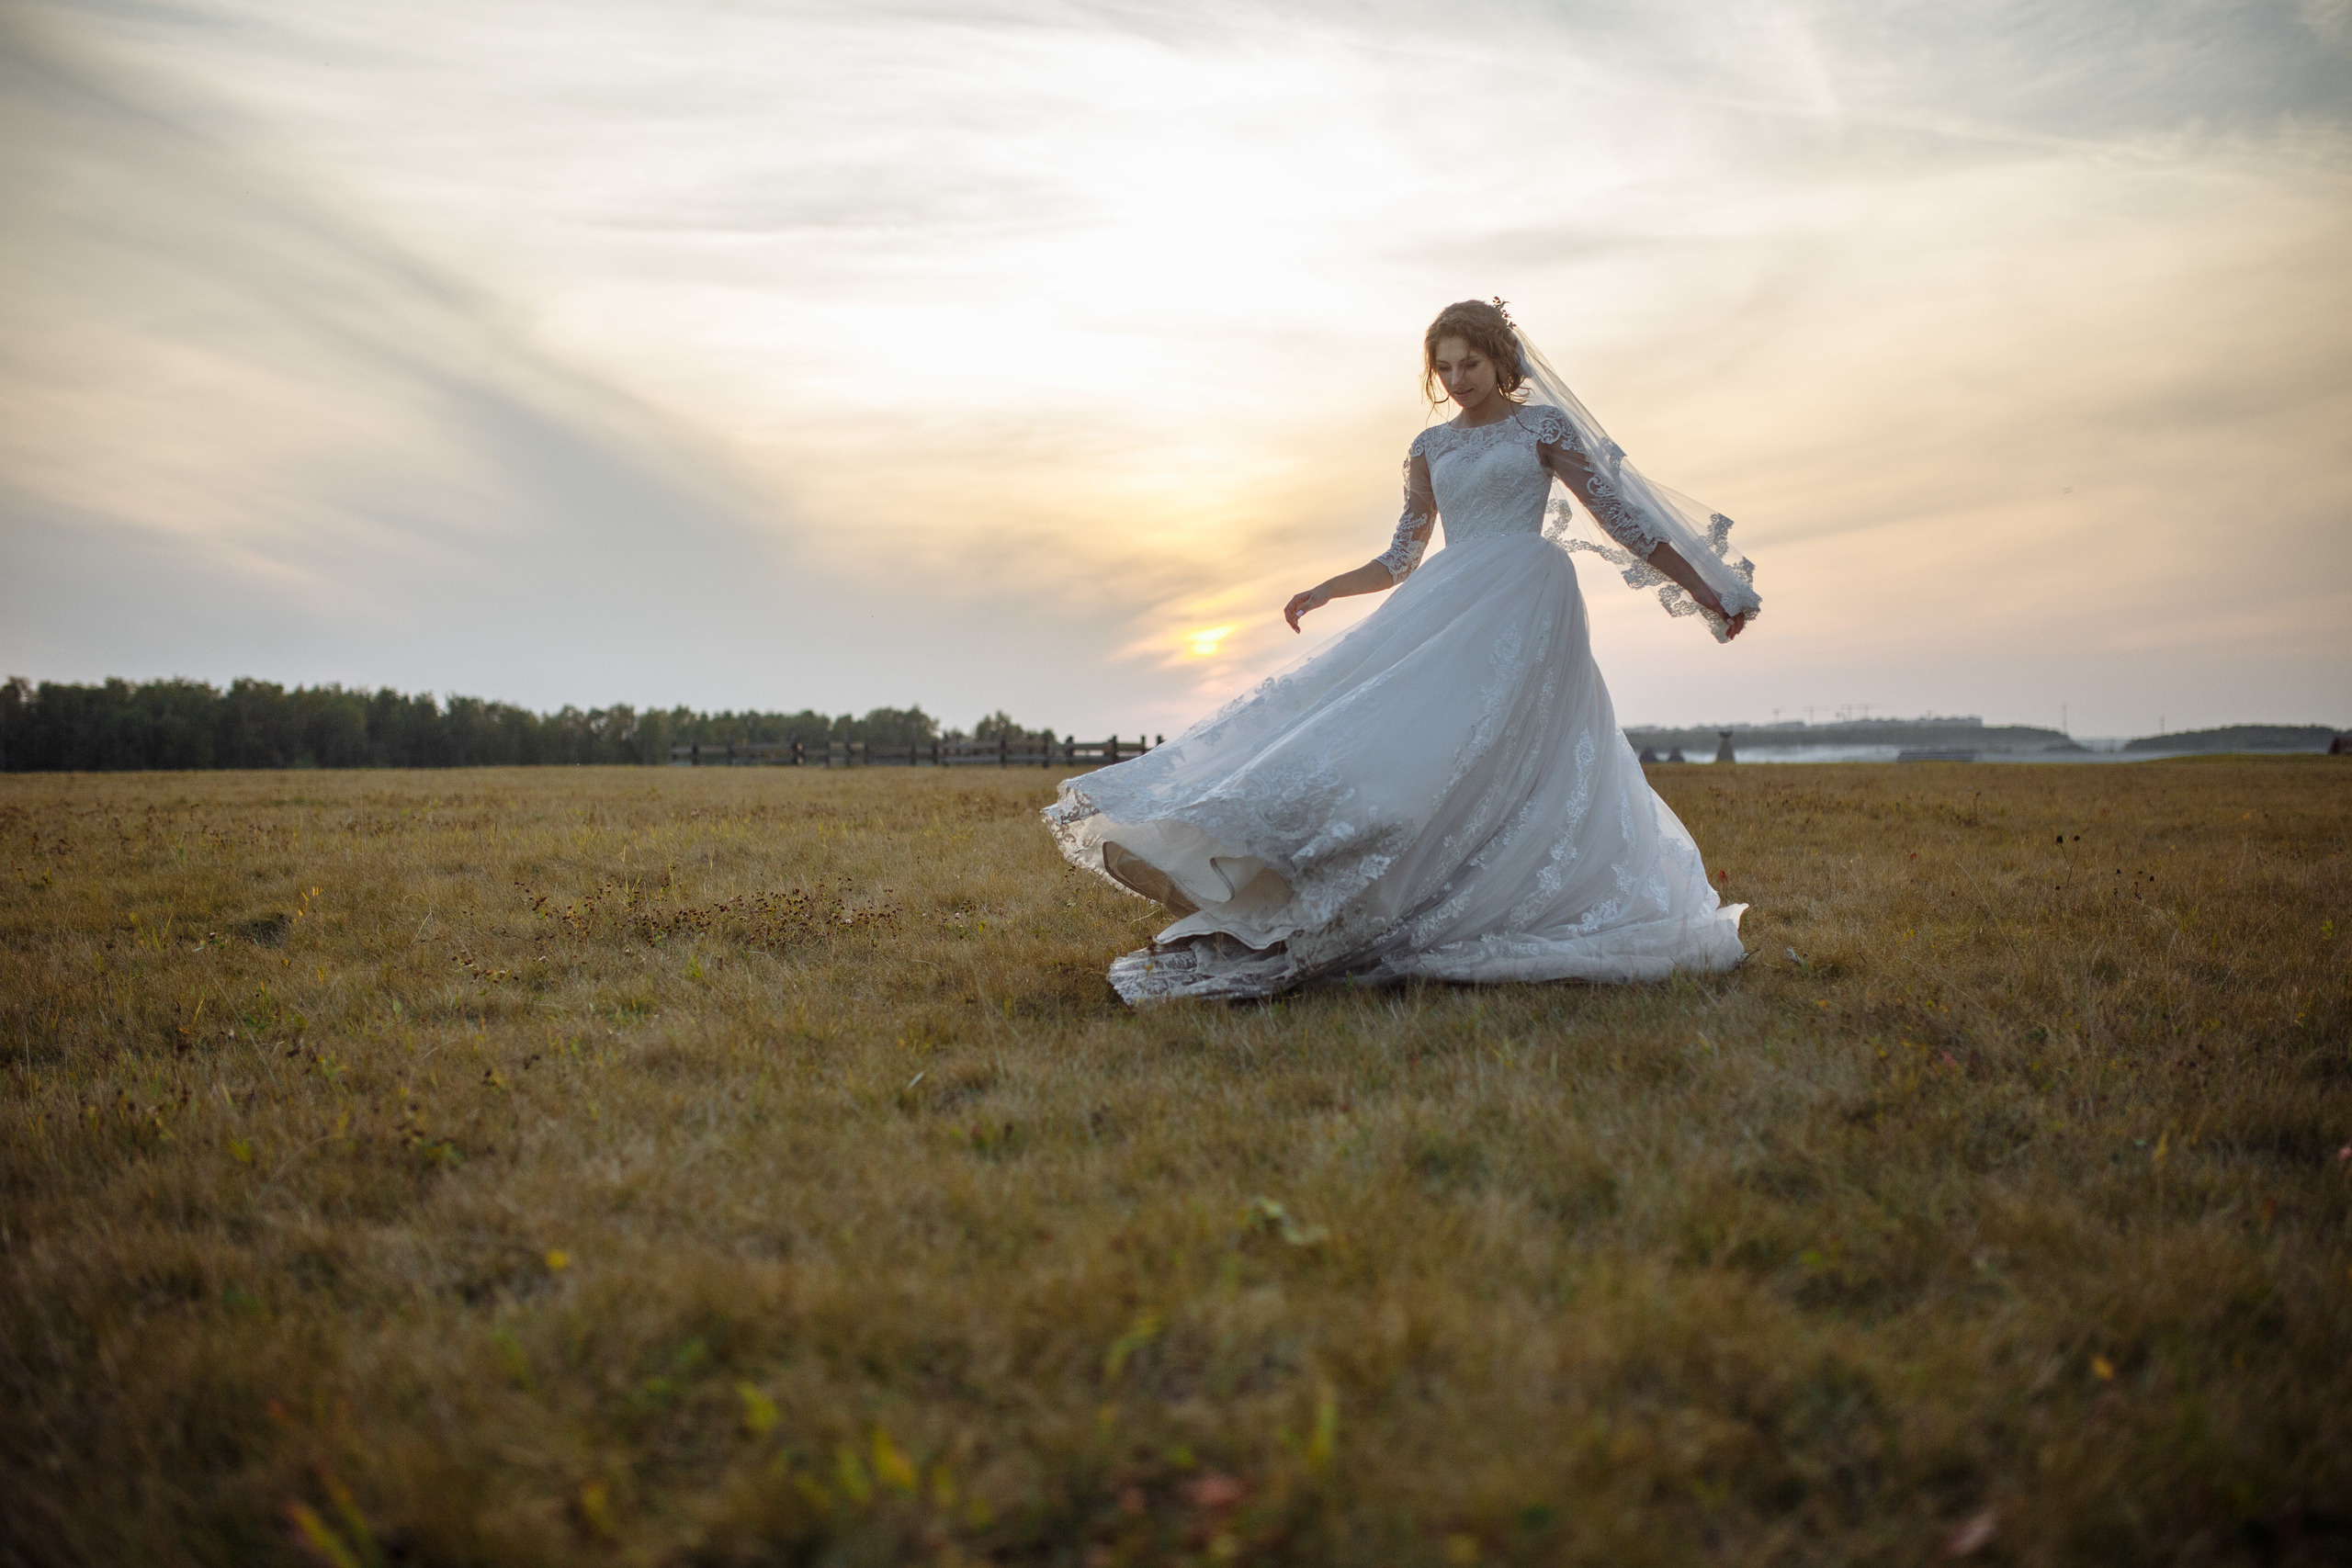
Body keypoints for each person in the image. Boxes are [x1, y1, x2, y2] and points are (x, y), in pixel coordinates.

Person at [1046, 299, 1760, 1003]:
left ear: (1501, 359)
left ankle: (1501, 889)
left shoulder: (1543, 427)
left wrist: (1708, 591)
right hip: (1445, 605)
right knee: (1403, 747)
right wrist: (1328, 587)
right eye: (1444, 367)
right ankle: (1350, 885)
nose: (1458, 379)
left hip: (1527, 603)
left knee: (1509, 756)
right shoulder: (1431, 448)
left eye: (1470, 363)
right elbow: (1401, 555)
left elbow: (1624, 523)